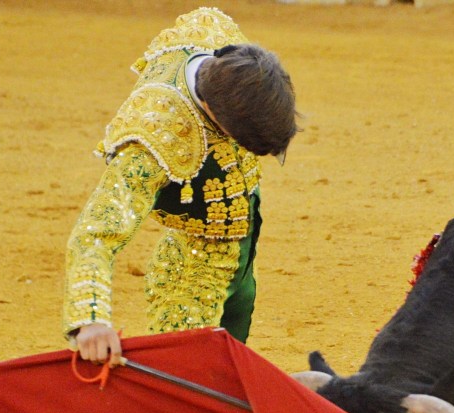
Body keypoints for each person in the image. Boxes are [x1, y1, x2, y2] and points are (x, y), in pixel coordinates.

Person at [63, 7, 298, 365]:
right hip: (194, 256)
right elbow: (95, 234)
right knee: (190, 366)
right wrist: (90, 319)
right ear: (220, 121)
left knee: (239, 316)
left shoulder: (213, 32)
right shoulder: (151, 141)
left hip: (244, 224)